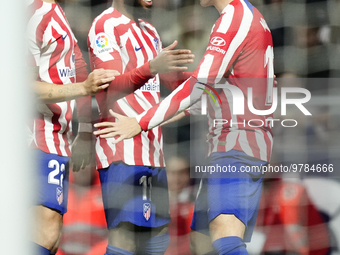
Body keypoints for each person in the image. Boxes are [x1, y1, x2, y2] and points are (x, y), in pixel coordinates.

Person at [94, 0, 275, 254]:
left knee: (226, 238)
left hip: (237, 143)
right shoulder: (248, 15)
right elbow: (216, 91)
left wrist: (140, 121)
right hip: (225, 143)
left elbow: (198, 86)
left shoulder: (235, 18)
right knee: (200, 242)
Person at [87, 0, 195, 254]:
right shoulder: (105, 25)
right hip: (120, 145)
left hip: (152, 148)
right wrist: (151, 67)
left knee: (156, 238)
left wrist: (232, 82)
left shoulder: (149, 30)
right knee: (125, 238)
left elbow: (177, 83)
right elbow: (110, 88)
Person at [27, 0, 121, 254]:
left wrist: (86, 132)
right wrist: (82, 89)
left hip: (57, 137)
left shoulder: (56, 13)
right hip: (33, 135)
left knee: (51, 236)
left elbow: (79, 69)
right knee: (44, 233)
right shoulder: (32, 13)